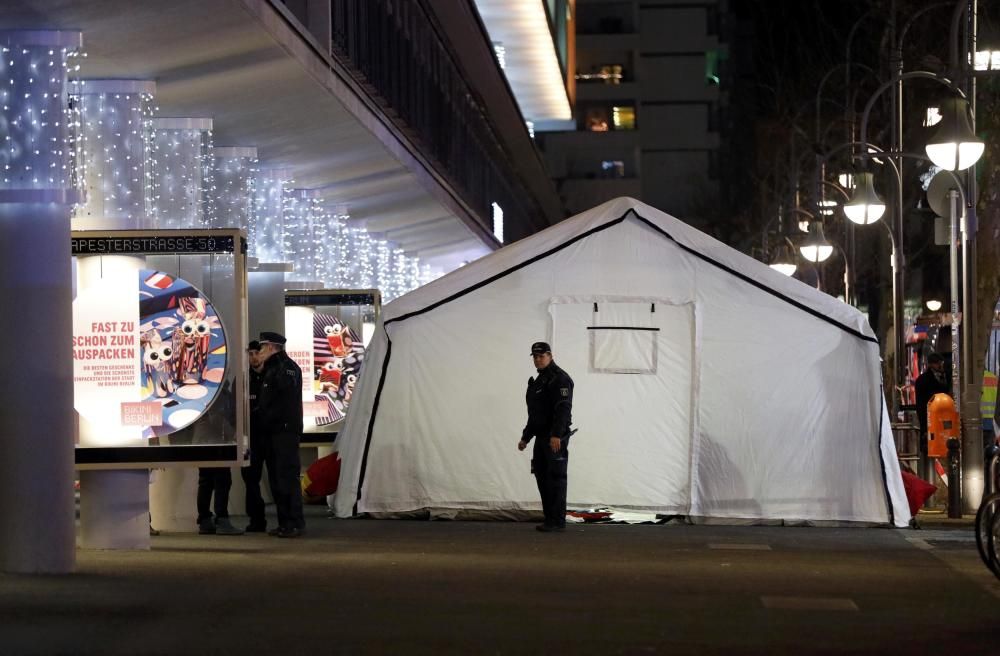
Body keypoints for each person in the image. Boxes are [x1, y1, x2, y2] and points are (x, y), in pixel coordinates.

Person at [517, 341, 574, 532]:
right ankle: (550, 519)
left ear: (550, 356)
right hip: (541, 438)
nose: (538, 360)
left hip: (554, 439)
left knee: (556, 478)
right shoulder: (540, 381)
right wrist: (526, 437)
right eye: (535, 356)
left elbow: (563, 408)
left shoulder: (560, 379)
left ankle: (558, 521)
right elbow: (536, 415)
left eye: (541, 356)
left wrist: (556, 434)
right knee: (542, 477)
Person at [257, 332, 305, 538]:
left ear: (270, 347)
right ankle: (284, 522)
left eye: (262, 348)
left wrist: (267, 417)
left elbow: (282, 402)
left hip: (284, 431)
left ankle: (293, 522)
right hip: (274, 431)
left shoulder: (285, 369)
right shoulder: (272, 368)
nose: (259, 352)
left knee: (287, 478)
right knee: (277, 479)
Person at [242, 340, 268, 532]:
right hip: (251, 438)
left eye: (256, 353)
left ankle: (286, 520)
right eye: (250, 354)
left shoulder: (273, 376)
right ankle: (256, 519)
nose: (254, 357)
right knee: (251, 480)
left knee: (278, 479)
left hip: (270, 435)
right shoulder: (244, 379)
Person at [914, 352, 950, 435]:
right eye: (937, 363)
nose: (940, 366)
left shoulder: (947, 376)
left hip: (945, 417)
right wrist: (924, 426)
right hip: (931, 419)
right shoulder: (922, 380)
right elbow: (921, 405)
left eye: (941, 363)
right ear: (931, 365)